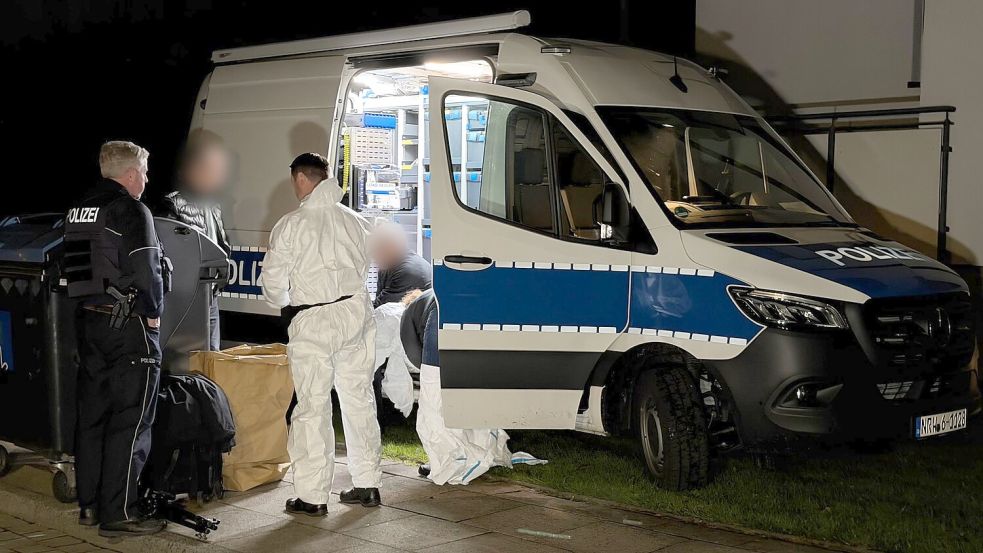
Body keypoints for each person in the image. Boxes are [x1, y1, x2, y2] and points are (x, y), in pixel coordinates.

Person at [261, 153, 383, 516]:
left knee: (313, 406)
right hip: (356, 312)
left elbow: (272, 285)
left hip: (314, 318)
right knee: (359, 399)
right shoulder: (358, 221)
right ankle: (367, 483)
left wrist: (286, 302)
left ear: (299, 179)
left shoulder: (291, 225)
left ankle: (313, 496)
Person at [64, 141, 167, 537]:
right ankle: (121, 513)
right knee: (132, 420)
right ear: (129, 174)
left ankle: (89, 506)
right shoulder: (131, 208)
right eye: (143, 170)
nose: (146, 178)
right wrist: (153, 312)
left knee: (93, 418)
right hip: (128, 326)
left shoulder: (78, 209)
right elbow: (146, 267)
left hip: (89, 323)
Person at [400, 289, 517, 485]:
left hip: (440, 316)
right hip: (473, 309)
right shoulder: (433, 293)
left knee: (435, 401)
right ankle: (480, 445)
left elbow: (416, 356)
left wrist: (432, 373)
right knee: (474, 392)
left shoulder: (409, 314)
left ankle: (448, 457)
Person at [158, 130, 231, 350]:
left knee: (213, 355)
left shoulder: (213, 205)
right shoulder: (172, 203)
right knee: (190, 357)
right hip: (187, 299)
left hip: (210, 295)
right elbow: (168, 250)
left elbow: (221, 246)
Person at [369, 221, 432, 308]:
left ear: (391, 247)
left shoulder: (408, 271)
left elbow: (380, 311)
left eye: (377, 249)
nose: (373, 256)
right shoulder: (388, 266)